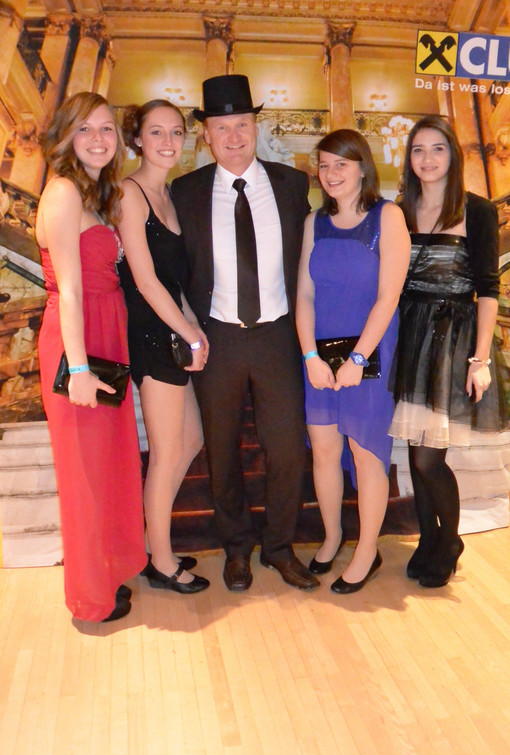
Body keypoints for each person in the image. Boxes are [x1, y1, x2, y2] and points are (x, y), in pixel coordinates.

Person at [171, 74, 318, 591]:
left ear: (256, 127)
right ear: (206, 135)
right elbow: (175, 269)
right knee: (222, 449)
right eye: (221, 127)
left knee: (287, 449)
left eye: (242, 124)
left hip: (278, 336)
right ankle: (236, 547)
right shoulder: (185, 191)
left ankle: (279, 547)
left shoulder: (291, 184)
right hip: (218, 337)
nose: (233, 136)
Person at [36, 92, 147, 622]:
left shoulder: (96, 193)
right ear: (66, 136)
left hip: (104, 333)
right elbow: (69, 291)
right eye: (85, 129)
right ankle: (88, 598)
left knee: (106, 465)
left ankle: (107, 571)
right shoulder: (62, 191)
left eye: (106, 128)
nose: (98, 139)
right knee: (82, 473)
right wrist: (78, 368)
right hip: (77, 340)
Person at [390, 115, 508, 588]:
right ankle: (427, 539)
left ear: (453, 155)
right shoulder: (399, 210)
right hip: (410, 332)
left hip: (453, 337)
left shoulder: (476, 210)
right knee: (414, 447)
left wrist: (480, 360)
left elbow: (488, 290)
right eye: (418, 149)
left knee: (429, 458)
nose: (428, 159)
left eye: (437, 148)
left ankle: (451, 540)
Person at [296, 129, 410, 594]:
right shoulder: (314, 222)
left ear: (363, 167)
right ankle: (332, 537)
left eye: (341, 164)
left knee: (366, 454)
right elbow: (304, 294)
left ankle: (366, 551)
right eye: (324, 165)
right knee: (323, 450)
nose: (331, 173)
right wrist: (309, 355)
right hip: (320, 355)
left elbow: (389, 297)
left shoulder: (389, 216)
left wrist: (358, 357)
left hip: (371, 352)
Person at [117, 99, 210, 594]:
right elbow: (146, 280)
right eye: (156, 132)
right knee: (167, 451)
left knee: (189, 442)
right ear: (137, 139)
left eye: (176, 132)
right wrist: (188, 333)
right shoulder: (129, 193)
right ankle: (162, 561)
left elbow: (175, 283)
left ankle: (152, 542)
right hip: (152, 336)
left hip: (172, 329)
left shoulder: (169, 194)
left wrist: (194, 326)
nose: (169, 141)